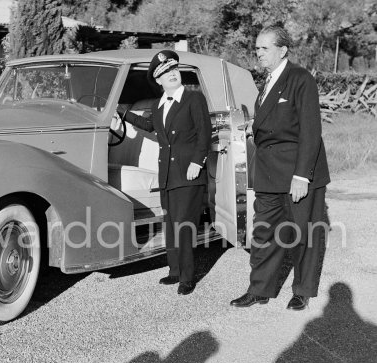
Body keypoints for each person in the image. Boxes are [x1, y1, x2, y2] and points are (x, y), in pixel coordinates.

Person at [230, 25, 330, 310]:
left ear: (282, 49)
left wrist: (302, 176)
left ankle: (302, 291)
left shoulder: (300, 78)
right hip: (269, 173)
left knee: (302, 233)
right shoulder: (267, 82)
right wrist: (254, 126)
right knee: (264, 234)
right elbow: (276, 121)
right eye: (257, 48)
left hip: (297, 173)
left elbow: (311, 131)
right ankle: (259, 289)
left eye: (264, 48)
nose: (258, 53)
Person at [115, 50, 212, 295]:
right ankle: (174, 271)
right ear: (158, 80)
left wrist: (197, 163)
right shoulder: (160, 104)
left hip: (189, 174)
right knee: (170, 223)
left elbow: (204, 134)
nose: (172, 74)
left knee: (184, 225)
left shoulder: (194, 99)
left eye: (174, 69)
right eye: (165, 72)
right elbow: (151, 127)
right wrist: (124, 114)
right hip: (168, 175)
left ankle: (187, 277)